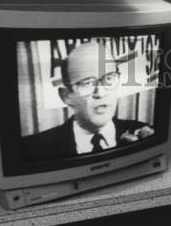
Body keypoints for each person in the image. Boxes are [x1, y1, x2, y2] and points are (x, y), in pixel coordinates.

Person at [22, 40, 154, 160]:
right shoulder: (33, 148)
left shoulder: (143, 132)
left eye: (109, 78)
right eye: (88, 82)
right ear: (66, 96)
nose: (100, 93)